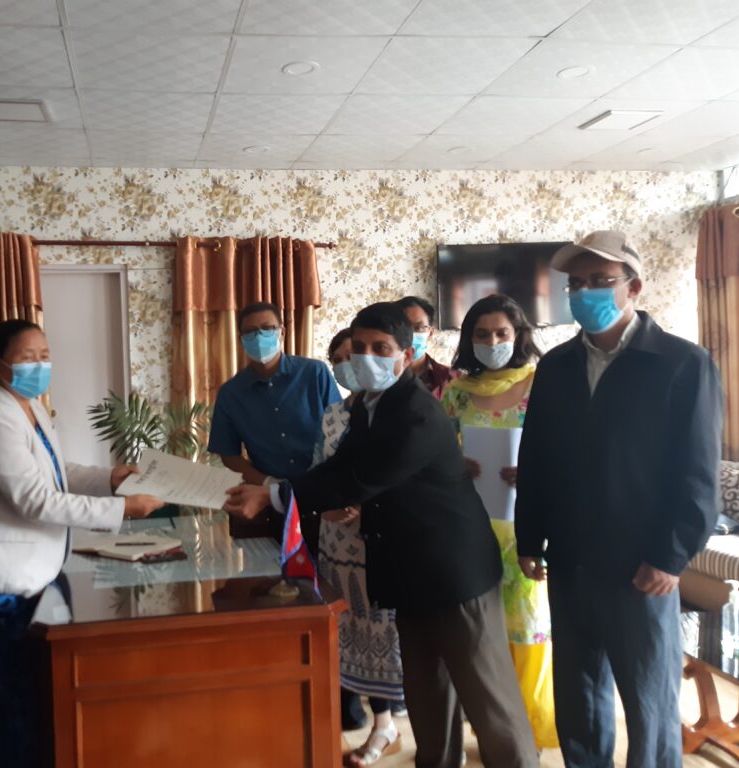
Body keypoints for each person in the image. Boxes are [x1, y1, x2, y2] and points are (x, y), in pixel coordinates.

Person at [225, 303, 538, 768]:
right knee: (427, 698)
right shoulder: (369, 407)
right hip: (407, 574)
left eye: (381, 348)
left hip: (456, 576)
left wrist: (272, 497)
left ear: (406, 355)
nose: (366, 357)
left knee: (490, 703)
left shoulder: (416, 412)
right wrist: (273, 490)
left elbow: (360, 479)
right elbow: (339, 467)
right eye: (359, 347)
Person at [515, 230, 723, 767]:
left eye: (600, 280)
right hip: (570, 560)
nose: (585, 292)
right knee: (578, 694)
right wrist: (529, 537)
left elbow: (698, 474)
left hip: (641, 566)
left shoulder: (682, 363)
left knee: (648, 699)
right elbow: (537, 457)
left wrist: (671, 556)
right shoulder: (556, 366)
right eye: (576, 284)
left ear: (633, 287)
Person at [0, 319, 162, 767]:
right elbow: (36, 500)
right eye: (27, 357)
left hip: (42, 575)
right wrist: (121, 510)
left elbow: (57, 473)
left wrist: (110, 479)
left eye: (45, 356)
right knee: (9, 705)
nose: (40, 365)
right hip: (6, 585)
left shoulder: (29, 407)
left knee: (36, 697)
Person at [441, 294, 557, 752]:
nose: (492, 342)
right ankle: (492, 731)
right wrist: (455, 465)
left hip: (527, 532)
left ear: (518, 334)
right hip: (471, 530)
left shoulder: (542, 384)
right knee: (480, 635)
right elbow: (436, 453)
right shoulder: (456, 392)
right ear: (469, 340)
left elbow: (569, 451)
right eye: (482, 334)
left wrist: (537, 471)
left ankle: (529, 733)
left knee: (528, 632)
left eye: (501, 333)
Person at [314, 328, 405, 765]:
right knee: (345, 632)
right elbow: (319, 469)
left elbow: (402, 476)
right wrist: (324, 506)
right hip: (336, 543)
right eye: (338, 359)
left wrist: (366, 508)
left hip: (380, 542)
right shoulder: (332, 414)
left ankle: (385, 725)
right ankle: (365, 724)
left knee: (382, 634)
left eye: (353, 355)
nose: (348, 365)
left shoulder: (396, 412)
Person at [208, 300, 341, 554]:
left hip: (322, 497)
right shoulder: (231, 393)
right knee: (275, 573)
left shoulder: (314, 373)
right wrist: (269, 483)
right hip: (271, 504)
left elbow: (340, 432)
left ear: (282, 332)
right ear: (241, 338)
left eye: (267, 328)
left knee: (326, 573)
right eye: (250, 331)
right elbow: (229, 455)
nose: (259, 336)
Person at [396, 296, 452, 399]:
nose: (410, 335)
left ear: (430, 333)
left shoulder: (450, 379)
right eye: (403, 328)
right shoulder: (379, 376)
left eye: (418, 328)